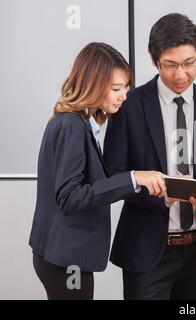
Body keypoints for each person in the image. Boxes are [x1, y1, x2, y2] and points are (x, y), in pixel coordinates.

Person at [103, 13, 196, 300]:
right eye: (170, 65)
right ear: (154, 60)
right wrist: (159, 195)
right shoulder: (129, 106)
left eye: (189, 64)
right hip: (146, 251)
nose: (180, 74)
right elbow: (113, 175)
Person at [29, 42, 167, 300]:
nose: (123, 96)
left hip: (65, 257)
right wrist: (134, 178)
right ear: (92, 83)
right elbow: (70, 197)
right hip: (65, 260)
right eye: (116, 89)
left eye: (126, 88)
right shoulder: (71, 125)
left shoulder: (78, 123)